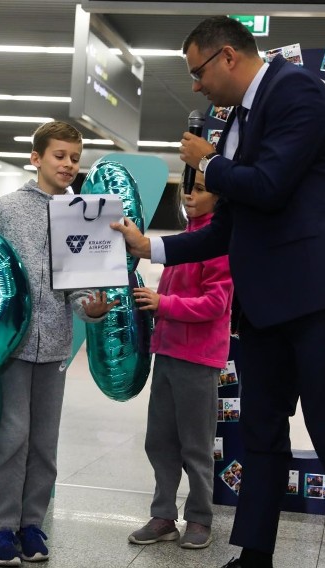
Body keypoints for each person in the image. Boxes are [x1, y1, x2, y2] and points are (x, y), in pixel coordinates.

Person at [110, 16, 325, 568]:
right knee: (261, 432)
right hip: (264, 305)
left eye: (197, 71)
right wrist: (151, 249)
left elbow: (272, 185)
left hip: (318, 296)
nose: (195, 85)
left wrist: (207, 161)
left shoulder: (296, 91)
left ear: (228, 56)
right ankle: (255, 554)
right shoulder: (236, 119)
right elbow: (228, 228)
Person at [0, 121, 118, 566]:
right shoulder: (7, 208)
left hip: (56, 346)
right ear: (36, 158)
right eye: (59, 156)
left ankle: (31, 525)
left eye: (75, 159)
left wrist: (91, 310)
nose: (68, 165)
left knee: (44, 442)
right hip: (12, 346)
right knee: (12, 437)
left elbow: (80, 290)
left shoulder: (82, 212)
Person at [127, 170, 234, 550]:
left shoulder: (216, 242)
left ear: (220, 199)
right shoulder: (186, 240)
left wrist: (164, 304)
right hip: (169, 353)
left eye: (201, 190)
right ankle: (163, 516)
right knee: (160, 441)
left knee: (196, 444)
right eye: (188, 188)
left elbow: (217, 303)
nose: (190, 196)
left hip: (199, 358)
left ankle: (201, 518)